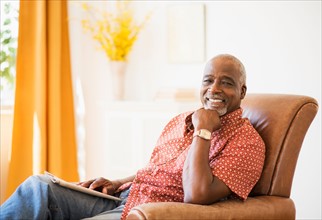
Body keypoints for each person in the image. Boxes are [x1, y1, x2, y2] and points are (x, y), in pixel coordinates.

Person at [0, 54, 265, 220]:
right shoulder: (180, 120)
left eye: (226, 82)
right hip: (127, 196)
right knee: (39, 188)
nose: (214, 89)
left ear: (242, 91)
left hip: (153, 212)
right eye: (208, 81)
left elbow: (196, 195)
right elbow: (157, 171)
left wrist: (203, 131)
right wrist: (118, 182)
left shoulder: (248, 142)